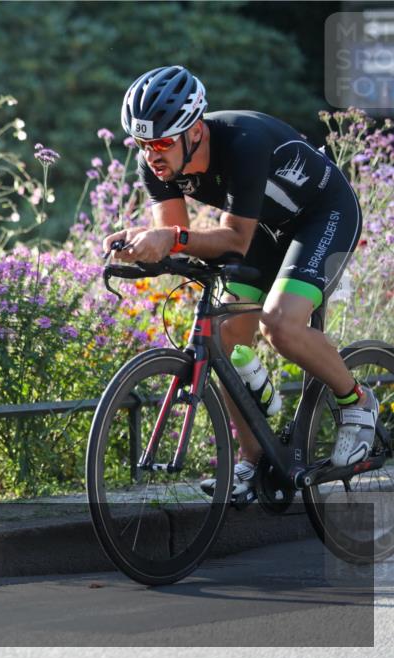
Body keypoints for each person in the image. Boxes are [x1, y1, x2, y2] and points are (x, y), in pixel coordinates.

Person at [103, 65, 379, 501]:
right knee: (227, 338)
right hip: (263, 229)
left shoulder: (242, 143)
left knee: (279, 325)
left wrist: (169, 239)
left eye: (161, 142)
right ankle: (253, 461)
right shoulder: (154, 165)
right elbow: (177, 237)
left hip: (322, 216)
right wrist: (142, 245)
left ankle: (356, 401)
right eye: (141, 143)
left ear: (194, 131)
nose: (151, 154)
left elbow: (231, 239)